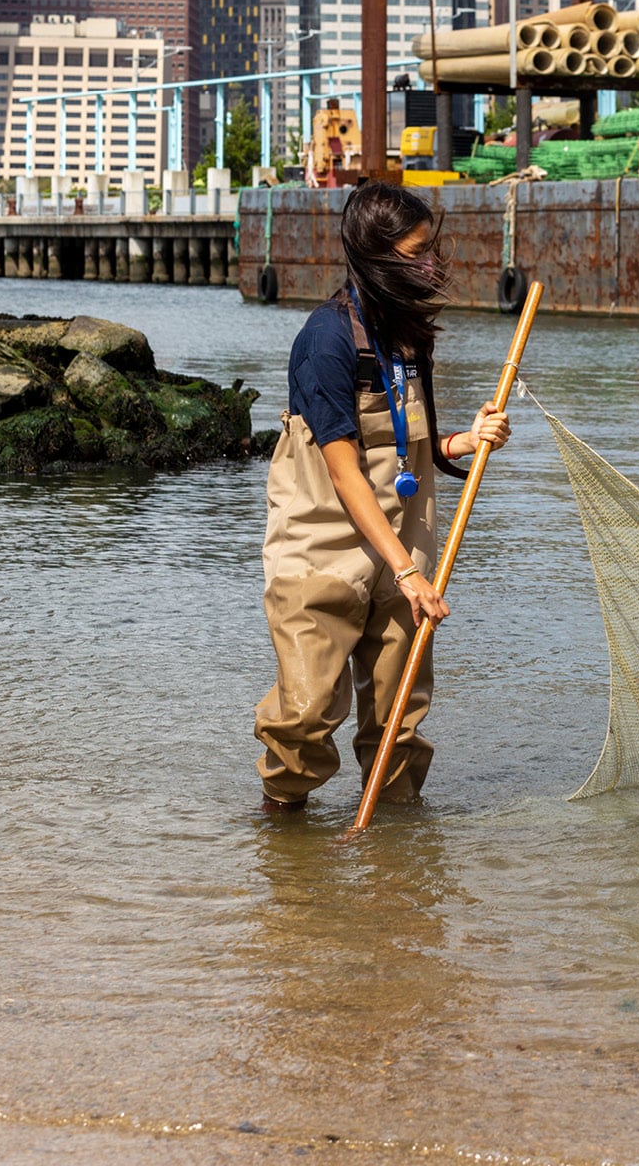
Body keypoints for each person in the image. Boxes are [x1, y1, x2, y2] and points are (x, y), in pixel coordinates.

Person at [254, 181, 510, 811]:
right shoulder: (325, 342)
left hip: (403, 552)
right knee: (307, 718)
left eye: (432, 249)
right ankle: (286, 849)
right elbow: (344, 471)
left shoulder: (407, 337)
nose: (433, 264)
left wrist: (465, 442)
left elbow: (406, 446)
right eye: (419, 252)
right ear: (378, 256)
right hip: (322, 552)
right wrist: (406, 570)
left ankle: (396, 873)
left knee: (399, 721)